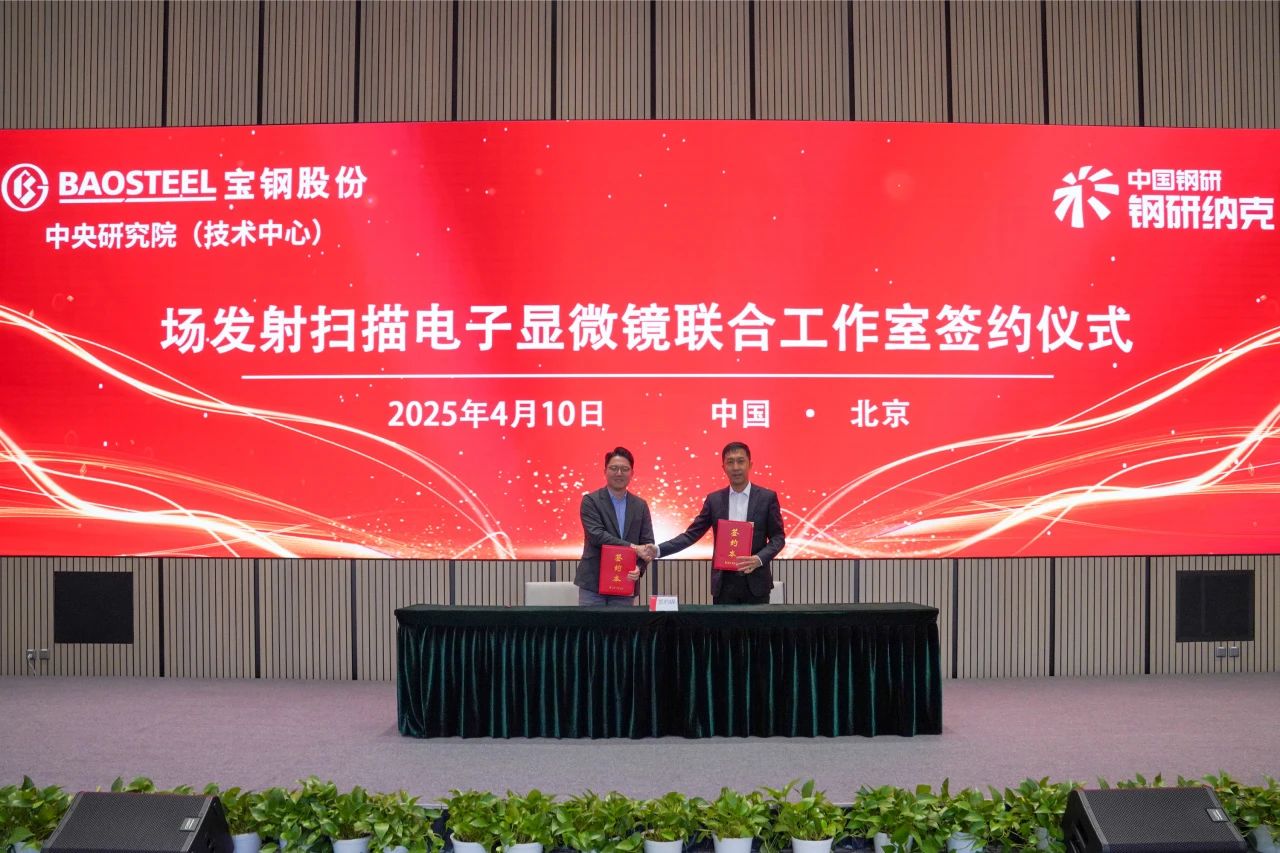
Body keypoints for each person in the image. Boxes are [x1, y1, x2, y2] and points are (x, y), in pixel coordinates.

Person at [643, 441, 785, 604]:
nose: (736, 467)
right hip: (724, 584)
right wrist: (658, 550)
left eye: (740, 461)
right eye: (730, 462)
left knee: (757, 623)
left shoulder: (767, 498)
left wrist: (759, 559)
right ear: (723, 467)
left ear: (750, 465)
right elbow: (691, 535)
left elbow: (778, 538)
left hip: (756, 582)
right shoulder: (714, 500)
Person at [574, 446, 655, 606]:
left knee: (621, 623)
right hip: (593, 584)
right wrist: (633, 548)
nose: (619, 473)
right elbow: (597, 536)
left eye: (625, 469)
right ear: (605, 471)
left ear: (632, 473)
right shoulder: (591, 501)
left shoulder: (640, 505)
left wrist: (639, 567)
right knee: (591, 623)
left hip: (625, 581)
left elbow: (647, 543)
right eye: (614, 468)